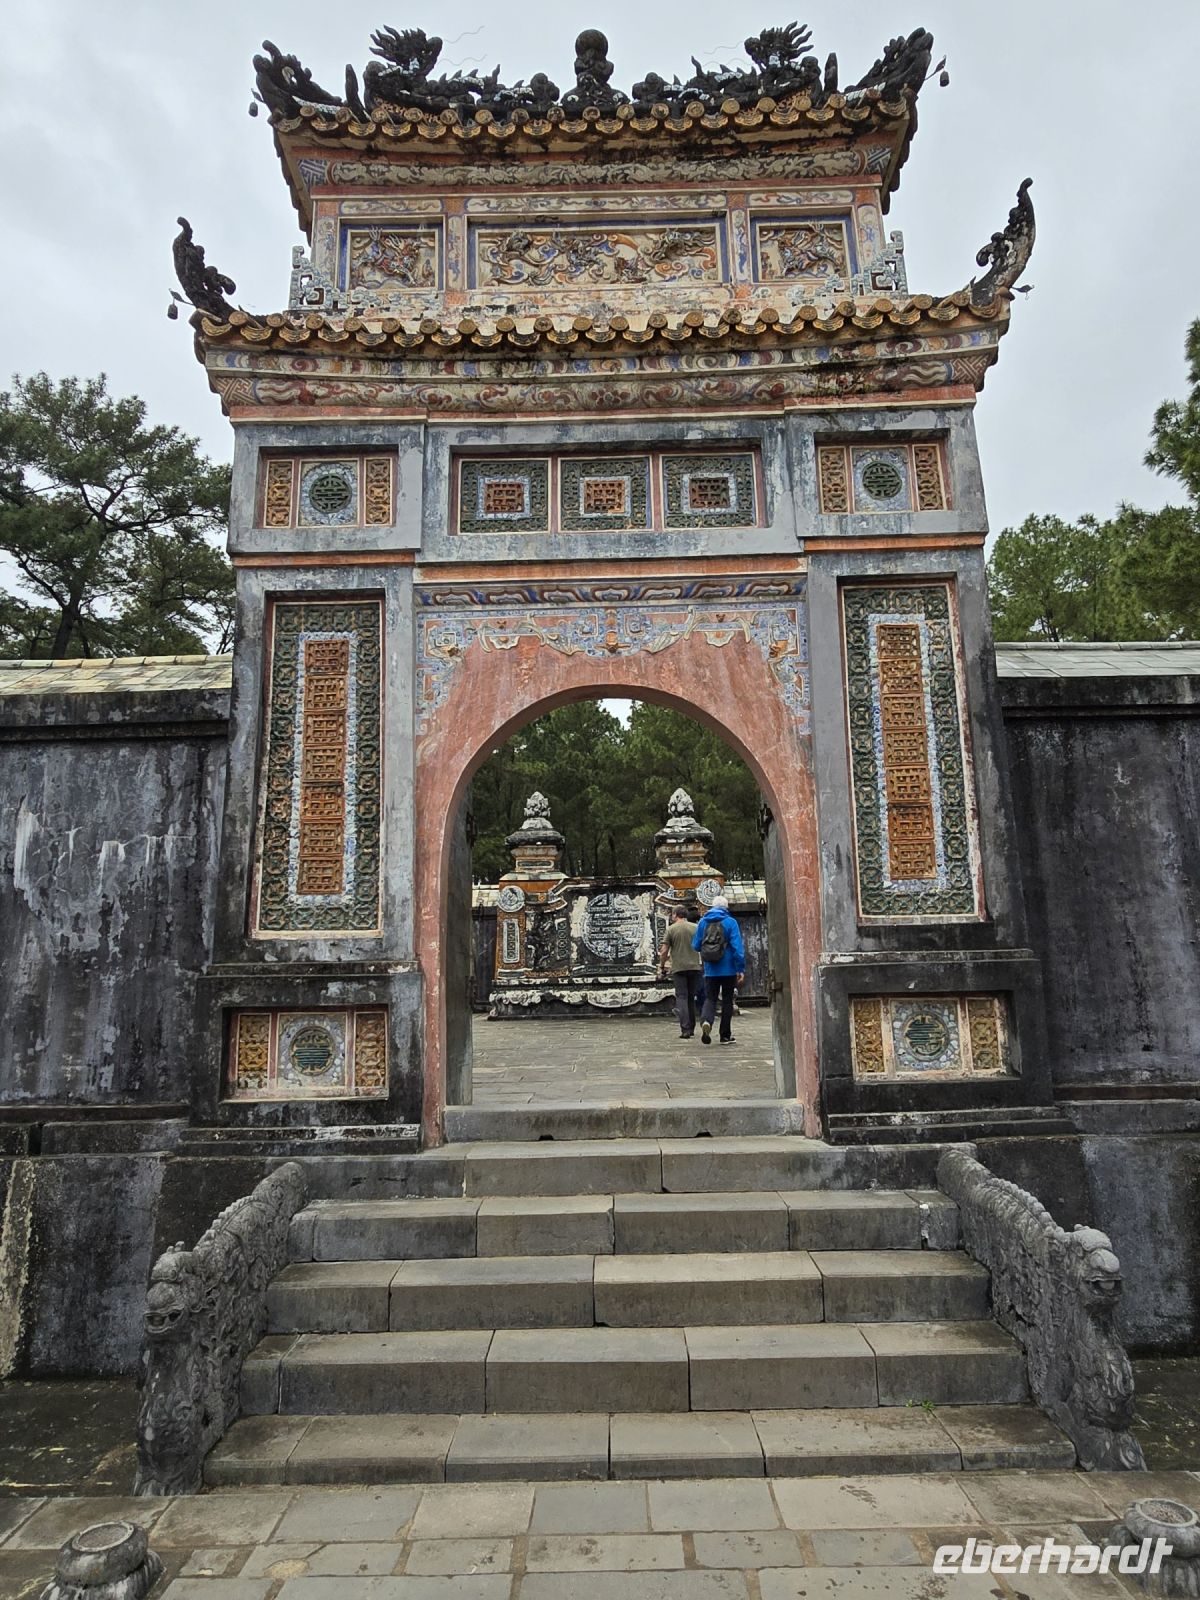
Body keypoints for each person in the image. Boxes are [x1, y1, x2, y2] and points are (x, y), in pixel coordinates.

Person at [692, 894, 745, 1045]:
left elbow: (695, 945)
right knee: (727, 1000)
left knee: (710, 998)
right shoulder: (730, 922)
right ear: (726, 907)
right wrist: (740, 968)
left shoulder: (703, 922)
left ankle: (706, 1021)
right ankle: (725, 1036)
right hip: (729, 969)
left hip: (710, 969)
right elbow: (737, 948)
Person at [658, 904, 704, 1039]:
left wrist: (662, 966)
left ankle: (685, 1028)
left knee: (682, 997)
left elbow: (664, 951)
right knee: (691, 997)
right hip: (694, 967)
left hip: (678, 967)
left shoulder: (671, 929)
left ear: (675, 915)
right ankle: (692, 1027)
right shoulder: (695, 927)